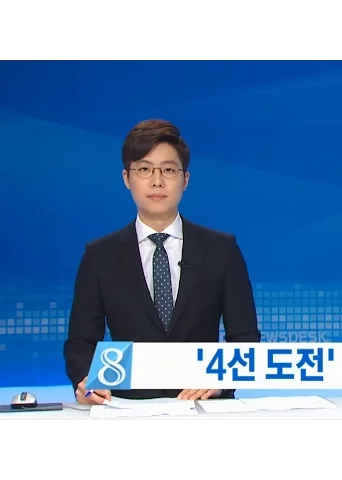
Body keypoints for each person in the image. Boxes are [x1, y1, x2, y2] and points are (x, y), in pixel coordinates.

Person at [63, 119, 261, 404]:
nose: (157, 181)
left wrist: (220, 380)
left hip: (203, 405)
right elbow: (81, 341)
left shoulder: (222, 250)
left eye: (168, 170)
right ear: (126, 178)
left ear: (185, 180)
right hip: (125, 405)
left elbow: (245, 338)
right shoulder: (99, 256)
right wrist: (85, 381)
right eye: (144, 169)